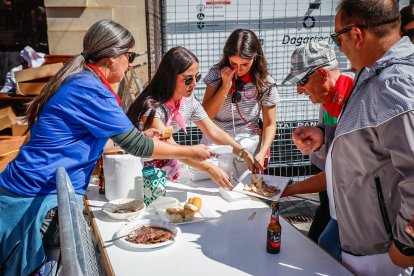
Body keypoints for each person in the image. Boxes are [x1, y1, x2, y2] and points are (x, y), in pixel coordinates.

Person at [0, 20, 211, 275]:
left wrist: (140, 135)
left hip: (28, 190)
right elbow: (140, 147)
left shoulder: (81, 82)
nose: (130, 63)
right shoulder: (92, 90)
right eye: (129, 56)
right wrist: (193, 151)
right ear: (112, 57)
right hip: (35, 197)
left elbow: (94, 142)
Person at [292, 0, 414, 274]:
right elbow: (373, 141)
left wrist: (405, 248)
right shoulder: (376, 75)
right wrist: (325, 134)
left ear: (356, 35)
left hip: (381, 254)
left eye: (338, 37)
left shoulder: (393, 84)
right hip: (370, 245)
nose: (338, 47)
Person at [127, 46, 262, 189]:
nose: (194, 84)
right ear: (170, 77)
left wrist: (243, 152)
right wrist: (208, 168)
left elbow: (213, 131)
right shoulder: (152, 108)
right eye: (188, 79)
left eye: (196, 77)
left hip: (161, 167)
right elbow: (171, 148)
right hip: (135, 171)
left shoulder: (188, 100)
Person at [281, 40, 354, 261]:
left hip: (362, 211)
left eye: (302, 81)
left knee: (323, 251)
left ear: (322, 74)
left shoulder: (355, 101)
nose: (298, 90)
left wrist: (289, 190)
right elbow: (333, 160)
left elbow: (340, 172)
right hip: (343, 206)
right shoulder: (333, 98)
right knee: (322, 247)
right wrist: (320, 136)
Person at [202, 29, 279, 178]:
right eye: (233, 63)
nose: (238, 69)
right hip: (216, 140)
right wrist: (225, 87)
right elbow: (206, 115)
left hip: (248, 142)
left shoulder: (265, 82)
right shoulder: (215, 74)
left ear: (255, 57)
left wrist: (262, 153)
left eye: (245, 64)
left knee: (247, 190)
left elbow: (270, 123)